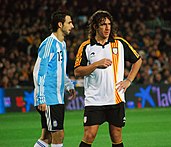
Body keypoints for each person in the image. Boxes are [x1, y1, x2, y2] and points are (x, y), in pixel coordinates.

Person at [74, 10, 142, 147]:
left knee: (116, 135)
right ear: (95, 27)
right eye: (103, 24)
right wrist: (96, 64)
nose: (107, 27)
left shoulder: (119, 43)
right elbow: (77, 71)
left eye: (109, 24)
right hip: (94, 99)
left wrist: (128, 81)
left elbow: (138, 60)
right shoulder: (86, 46)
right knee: (89, 134)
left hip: (115, 98)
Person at [33, 10, 76, 147]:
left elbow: (59, 70)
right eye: (69, 22)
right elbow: (39, 72)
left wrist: (68, 85)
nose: (72, 26)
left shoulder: (62, 44)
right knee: (58, 135)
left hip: (57, 96)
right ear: (60, 24)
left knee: (47, 138)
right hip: (48, 97)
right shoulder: (48, 44)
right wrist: (41, 98)